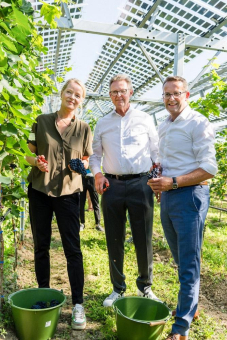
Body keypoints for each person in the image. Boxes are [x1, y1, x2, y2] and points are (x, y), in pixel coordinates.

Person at [148, 76, 217, 340]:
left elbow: (209, 168)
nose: (171, 99)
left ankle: (181, 328)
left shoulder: (198, 123)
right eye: (166, 94)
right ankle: (192, 305)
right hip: (168, 196)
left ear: (186, 95)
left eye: (176, 93)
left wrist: (173, 182)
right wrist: (160, 180)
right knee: (179, 256)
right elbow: (166, 161)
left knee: (188, 261)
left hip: (190, 196)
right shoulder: (164, 125)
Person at [26, 78, 93, 331]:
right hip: (40, 191)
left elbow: (86, 158)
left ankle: (78, 304)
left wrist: (82, 165)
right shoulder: (41, 121)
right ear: (61, 93)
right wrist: (36, 162)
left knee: (72, 249)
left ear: (81, 100)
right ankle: (43, 295)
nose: (72, 97)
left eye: (77, 95)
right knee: (41, 245)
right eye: (69, 92)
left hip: (68, 193)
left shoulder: (84, 128)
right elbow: (28, 152)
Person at [89, 73, 159, 307]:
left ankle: (145, 287)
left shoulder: (145, 119)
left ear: (130, 92)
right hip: (112, 184)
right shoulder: (103, 123)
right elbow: (95, 155)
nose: (119, 95)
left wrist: (158, 179)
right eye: (114, 92)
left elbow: (156, 152)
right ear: (109, 96)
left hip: (142, 183)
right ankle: (117, 288)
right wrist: (97, 174)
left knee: (144, 237)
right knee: (114, 237)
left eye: (122, 90)